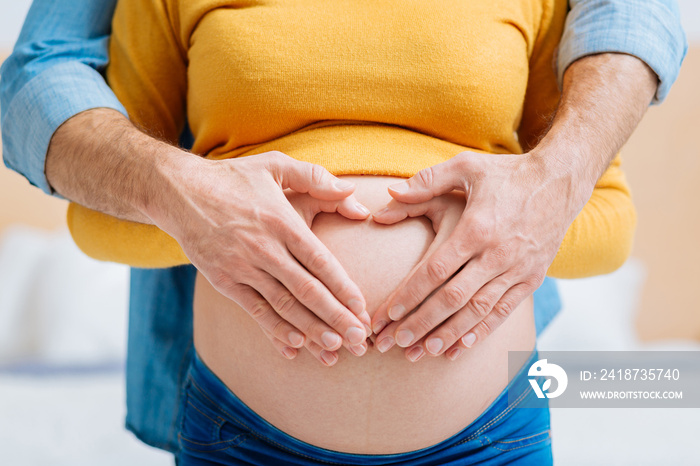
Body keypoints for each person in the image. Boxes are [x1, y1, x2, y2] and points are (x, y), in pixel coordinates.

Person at [0, 0, 686, 463]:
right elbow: (86, 178)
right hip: (243, 434)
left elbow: (600, 216)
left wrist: (517, 226)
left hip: (489, 436)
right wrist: (192, 210)